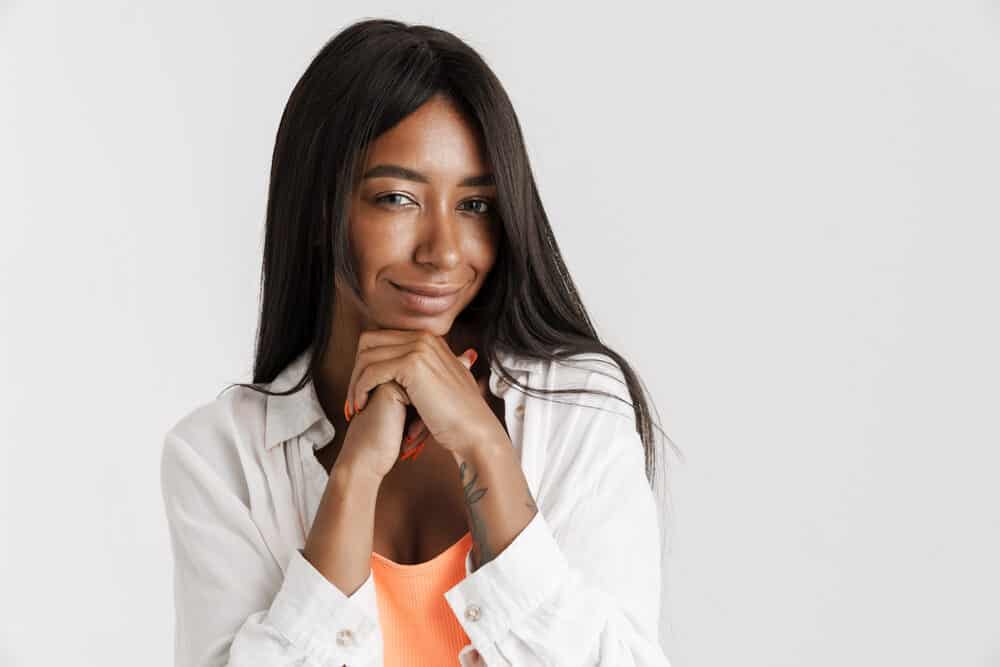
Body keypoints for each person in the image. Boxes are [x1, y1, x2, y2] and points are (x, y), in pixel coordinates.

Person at [160, 17, 676, 666]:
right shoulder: (219, 458)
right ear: (321, 213)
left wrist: (488, 451)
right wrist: (352, 478)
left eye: (475, 205)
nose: (444, 252)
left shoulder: (577, 408)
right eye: (399, 198)